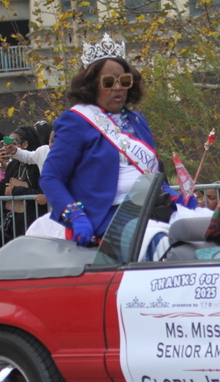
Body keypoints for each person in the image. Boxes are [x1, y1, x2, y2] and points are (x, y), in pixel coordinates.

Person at [40, 33, 160, 246]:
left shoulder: (137, 121)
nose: (118, 87)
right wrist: (75, 215)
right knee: (158, 240)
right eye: (109, 82)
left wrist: (176, 197)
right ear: (91, 85)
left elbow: (153, 173)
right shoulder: (76, 122)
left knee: (201, 226)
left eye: (124, 81)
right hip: (107, 217)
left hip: (152, 209)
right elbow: (51, 177)